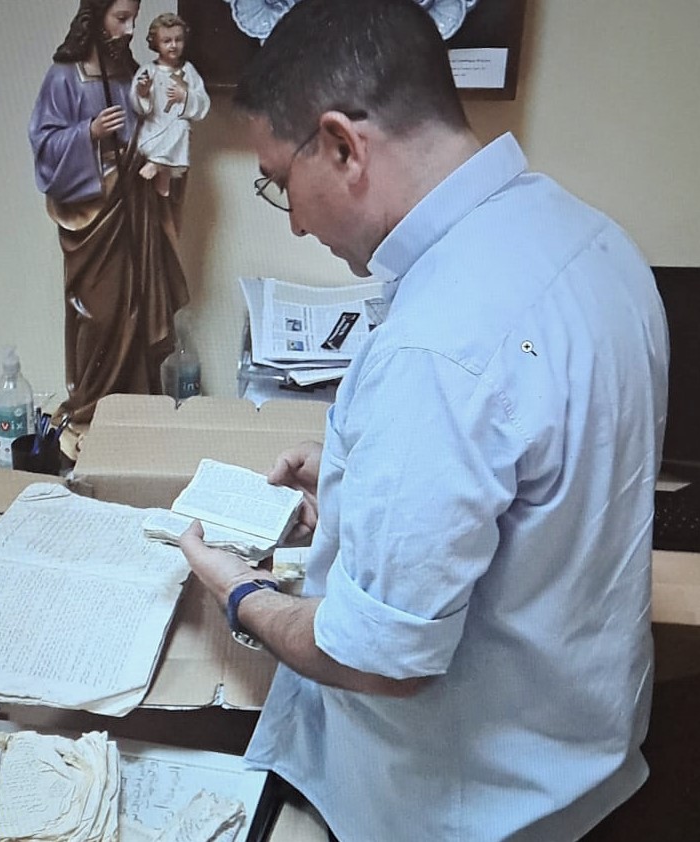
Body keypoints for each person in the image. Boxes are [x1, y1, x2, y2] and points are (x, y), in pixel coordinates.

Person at [178, 1, 669, 840]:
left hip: (463, 807)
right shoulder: (594, 240)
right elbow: (538, 491)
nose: (293, 220)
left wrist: (239, 593)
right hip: (582, 767)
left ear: (342, 145)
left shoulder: (437, 348)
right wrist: (361, 478)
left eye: (280, 182)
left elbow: (381, 660)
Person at [28, 0, 189, 426]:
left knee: (138, 309)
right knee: (98, 315)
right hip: (94, 220)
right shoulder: (64, 77)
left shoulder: (133, 75)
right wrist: (89, 132)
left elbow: (157, 131)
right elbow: (44, 147)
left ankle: (134, 408)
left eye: (134, 17)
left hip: (136, 212)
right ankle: (89, 410)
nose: (130, 28)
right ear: (95, 16)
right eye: (121, 18)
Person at [130, 13, 210, 197]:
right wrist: (143, 93)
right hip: (153, 129)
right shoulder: (148, 70)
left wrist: (186, 96)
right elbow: (137, 105)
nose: (173, 45)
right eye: (167, 41)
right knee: (171, 135)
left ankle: (159, 168)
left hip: (176, 133)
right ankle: (158, 165)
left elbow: (203, 103)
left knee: (182, 126)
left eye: (178, 40)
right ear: (156, 43)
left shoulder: (188, 71)